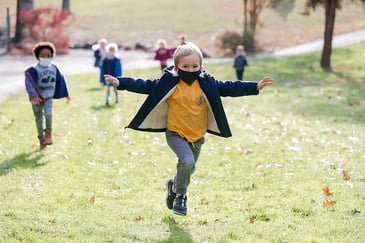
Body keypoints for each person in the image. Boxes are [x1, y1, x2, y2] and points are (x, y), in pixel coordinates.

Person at [104, 42, 273, 216]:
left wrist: (254, 86)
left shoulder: (207, 83)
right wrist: (121, 83)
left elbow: (230, 87)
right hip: (175, 133)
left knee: (189, 168)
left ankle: (174, 185)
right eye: (185, 66)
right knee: (187, 161)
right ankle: (180, 197)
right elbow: (145, 85)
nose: (190, 70)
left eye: (194, 66)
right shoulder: (169, 82)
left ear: (202, 67)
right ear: (177, 68)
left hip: (198, 136)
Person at [25, 42, 70, 150]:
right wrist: (34, 95)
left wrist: (66, 94)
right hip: (37, 99)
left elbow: (61, 81)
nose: (46, 58)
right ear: (37, 57)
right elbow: (29, 83)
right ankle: (41, 139)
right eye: (43, 56)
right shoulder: (33, 70)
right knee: (39, 118)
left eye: (48, 56)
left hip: (48, 97)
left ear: (52, 56)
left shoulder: (54, 68)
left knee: (49, 114)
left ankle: (48, 133)